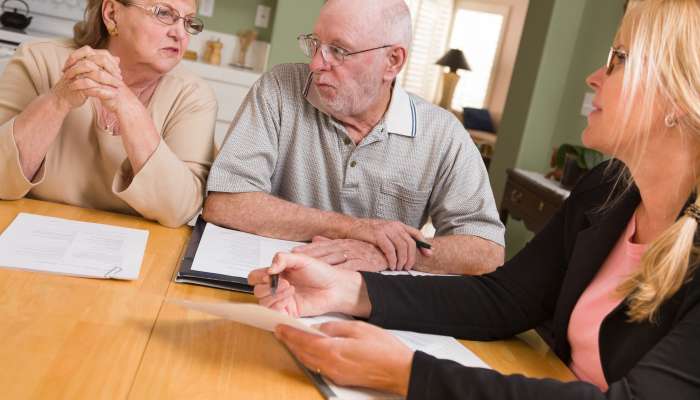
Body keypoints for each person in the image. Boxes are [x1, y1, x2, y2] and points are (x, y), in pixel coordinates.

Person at [248, 0, 700, 398]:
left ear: (678, 95)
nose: (595, 76)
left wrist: (408, 374)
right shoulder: (606, 190)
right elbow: (504, 299)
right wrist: (348, 289)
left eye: (618, 59)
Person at [203, 0, 504, 274]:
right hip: (274, 279)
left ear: (393, 62)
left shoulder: (442, 134)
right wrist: (353, 228)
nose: (316, 64)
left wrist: (388, 254)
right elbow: (225, 202)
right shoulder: (280, 89)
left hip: (373, 306)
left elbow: (486, 251)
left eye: (339, 50)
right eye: (316, 44)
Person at [0, 0, 216, 227]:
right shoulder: (38, 60)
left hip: (139, 253)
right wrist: (58, 100)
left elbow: (179, 210)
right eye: (163, 13)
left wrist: (128, 105)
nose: (180, 34)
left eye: (188, 21)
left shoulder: (193, 95)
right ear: (112, 14)